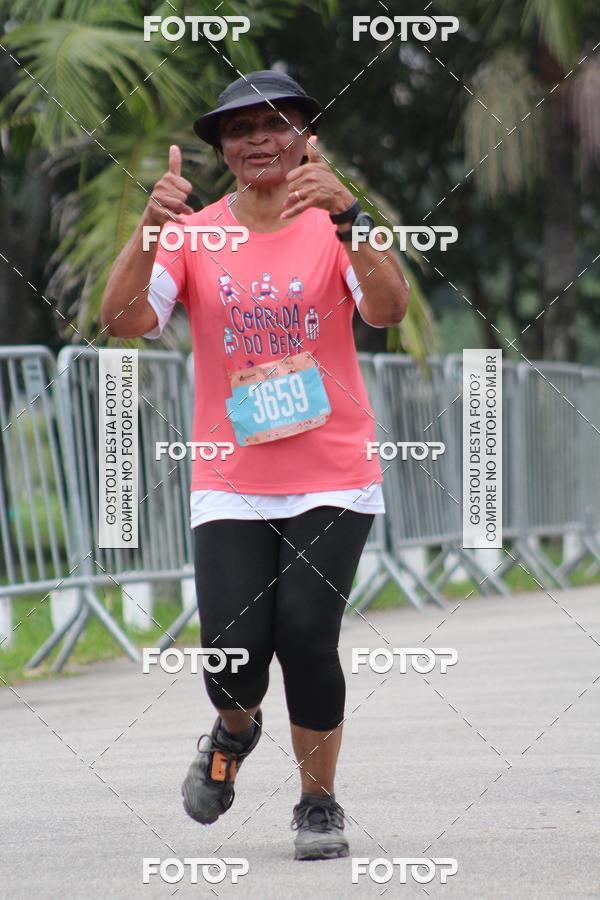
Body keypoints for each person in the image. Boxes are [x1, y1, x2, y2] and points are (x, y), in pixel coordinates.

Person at [101, 69, 409, 861]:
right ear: (222, 152)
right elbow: (125, 318)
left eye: (277, 123)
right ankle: (233, 732)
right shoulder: (194, 231)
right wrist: (147, 228)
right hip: (231, 481)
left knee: (308, 633)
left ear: (306, 136)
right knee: (233, 654)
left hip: (334, 470)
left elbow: (388, 308)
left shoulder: (335, 222)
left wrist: (351, 217)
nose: (259, 139)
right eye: (240, 130)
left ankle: (318, 804)